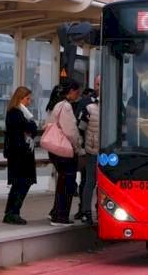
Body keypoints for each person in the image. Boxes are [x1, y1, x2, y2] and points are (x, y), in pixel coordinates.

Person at [45, 77, 83, 226]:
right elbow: (70, 131)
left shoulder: (55, 104)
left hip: (55, 150)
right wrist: (78, 147)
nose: (77, 95)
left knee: (62, 181)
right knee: (67, 182)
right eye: (77, 92)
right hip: (65, 150)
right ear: (72, 91)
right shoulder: (65, 106)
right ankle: (61, 216)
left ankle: (56, 212)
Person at [3, 86, 38, 225]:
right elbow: (31, 127)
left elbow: (32, 129)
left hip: (23, 153)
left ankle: (12, 211)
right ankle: (12, 212)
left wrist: (31, 127)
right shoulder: (15, 113)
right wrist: (30, 126)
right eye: (27, 98)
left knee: (22, 183)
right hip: (19, 154)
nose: (29, 102)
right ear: (20, 98)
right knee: (20, 183)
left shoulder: (22, 112)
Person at [75, 75, 101, 224]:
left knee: (104, 183)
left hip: (108, 151)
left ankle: (100, 209)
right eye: (97, 84)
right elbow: (80, 128)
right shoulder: (87, 104)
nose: (99, 87)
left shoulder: (113, 102)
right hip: (92, 150)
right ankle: (85, 211)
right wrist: (83, 147)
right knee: (90, 181)